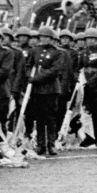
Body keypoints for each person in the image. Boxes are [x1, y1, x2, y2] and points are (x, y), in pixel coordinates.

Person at [28, 25, 69, 156]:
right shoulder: (34, 50)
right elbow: (29, 65)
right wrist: (29, 76)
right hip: (37, 90)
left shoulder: (58, 52)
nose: (44, 39)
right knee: (39, 118)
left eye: (47, 37)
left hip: (51, 88)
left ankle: (51, 144)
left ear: (51, 38)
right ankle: (41, 145)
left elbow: (55, 70)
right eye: (42, 37)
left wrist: (36, 78)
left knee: (51, 118)